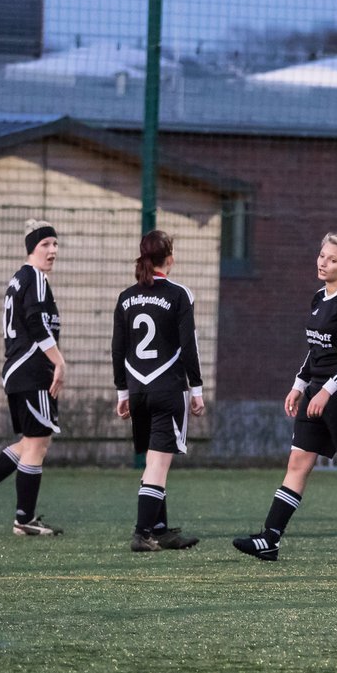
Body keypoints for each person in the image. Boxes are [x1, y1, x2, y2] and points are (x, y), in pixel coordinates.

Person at [232, 233, 337, 563]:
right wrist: (300, 384)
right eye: (322, 256)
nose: (323, 263)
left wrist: (327, 389)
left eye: (333, 259)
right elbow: (316, 351)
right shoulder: (318, 298)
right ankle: (270, 539)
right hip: (316, 394)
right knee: (298, 462)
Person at [0, 219, 67, 536]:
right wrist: (59, 362)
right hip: (31, 370)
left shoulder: (20, 280)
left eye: (55, 244)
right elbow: (36, 324)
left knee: (31, 441)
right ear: (31, 249)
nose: (53, 250)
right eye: (45, 244)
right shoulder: (33, 277)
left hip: (20, 370)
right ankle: (24, 520)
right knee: (37, 444)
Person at [111, 230, 205, 552]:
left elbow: (117, 348)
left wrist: (122, 393)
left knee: (153, 459)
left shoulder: (126, 297)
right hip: (168, 388)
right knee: (158, 465)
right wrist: (197, 388)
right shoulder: (180, 294)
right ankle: (142, 533)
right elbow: (188, 346)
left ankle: (161, 530)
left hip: (137, 390)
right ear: (170, 257)